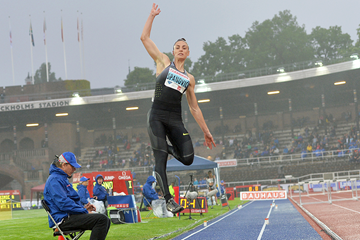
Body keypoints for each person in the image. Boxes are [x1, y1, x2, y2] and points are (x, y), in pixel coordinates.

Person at [140, 3, 216, 214]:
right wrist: (152, 16)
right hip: (156, 115)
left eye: (184, 47)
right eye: (177, 47)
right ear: (173, 51)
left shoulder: (189, 79)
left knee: (188, 158)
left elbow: (194, 108)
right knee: (161, 159)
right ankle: (168, 199)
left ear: (188, 52)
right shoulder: (163, 62)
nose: (181, 49)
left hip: (174, 119)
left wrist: (206, 131)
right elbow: (144, 38)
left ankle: (167, 147)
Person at [43, 152, 110, 240]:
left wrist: (84, 208)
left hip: (67, 216)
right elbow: (63, 204)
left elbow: (73, 199)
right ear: (64, 165)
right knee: (102, 220)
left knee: (106, 220)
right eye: (72, 166)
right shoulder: (54, 179)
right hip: (63, 219)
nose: (74, 169)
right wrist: (83, 211)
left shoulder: (61, 179)